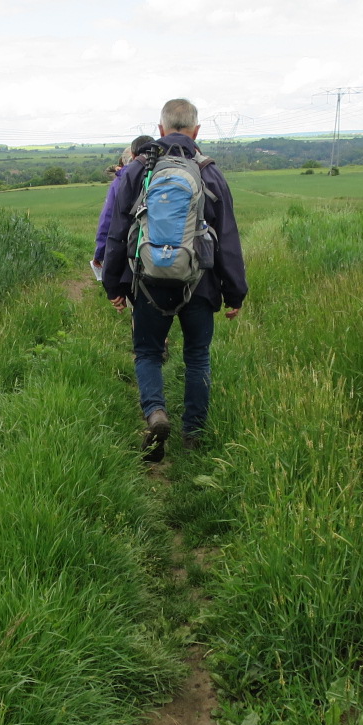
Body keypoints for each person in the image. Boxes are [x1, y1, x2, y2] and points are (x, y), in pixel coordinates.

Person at [102, 98, 246, 460]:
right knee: (197, 356)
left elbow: (118, 233)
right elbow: (228, 238)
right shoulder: (209, 173)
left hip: (147, 280)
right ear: (196, 131)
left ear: (161, 129)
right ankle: (193, 436)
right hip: (200, 280)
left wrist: (113, 285)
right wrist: (235, 293)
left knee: (148, 352)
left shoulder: (138, 171)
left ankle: (155, 413)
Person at [92, 135, 156, 273]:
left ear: (133, 155)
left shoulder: (121, 180)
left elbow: (108, 219)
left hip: (129, 251)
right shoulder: (164, 174)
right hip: (165, 252)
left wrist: (100, 253)